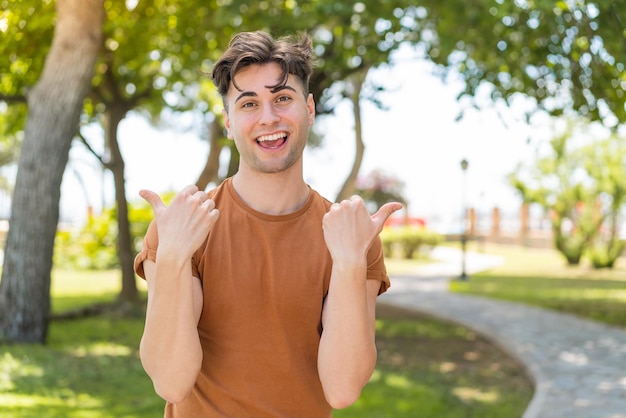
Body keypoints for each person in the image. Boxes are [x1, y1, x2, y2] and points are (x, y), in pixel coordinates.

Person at [133, 30, 402, 418]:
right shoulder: (183, 228)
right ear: (228, 121)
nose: (268, 117)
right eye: (249, 104)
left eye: (282, 98)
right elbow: (171, 381)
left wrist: (349, 263)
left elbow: (342, 389)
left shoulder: (349, 237)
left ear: (309, 109)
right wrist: (174, 255)